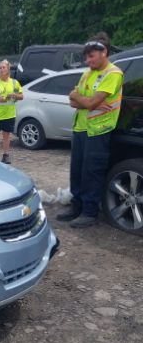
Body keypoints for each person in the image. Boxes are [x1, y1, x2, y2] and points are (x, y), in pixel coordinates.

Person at [57, 32, 123, 228]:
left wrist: (83, 101)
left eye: (91, 56)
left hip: (99, 130)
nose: (87, 60)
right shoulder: (87, 73)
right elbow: (72, 100)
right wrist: (84, 101)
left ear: (104, 53)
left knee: (92, 172)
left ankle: (89, 212)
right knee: (76, 171)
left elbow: (92, 101)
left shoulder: (113, 74)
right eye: (86, 56)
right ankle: (76, 206)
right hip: (81, 128)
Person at [0, 60, 23, 164]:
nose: (1, 70)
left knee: (6, 136)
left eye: (3, 67)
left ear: (8, 69)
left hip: (9, 115)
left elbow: (21, 96)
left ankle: (6, 156)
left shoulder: (14, 83)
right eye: (0, 68)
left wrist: (15, 96)